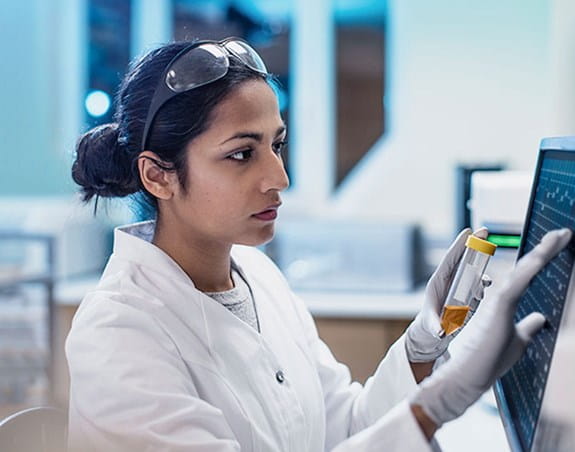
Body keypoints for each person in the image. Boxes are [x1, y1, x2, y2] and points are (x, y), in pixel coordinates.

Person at [66, 37, 572, 451]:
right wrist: (431, 410)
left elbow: (347, 429)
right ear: (158, 175)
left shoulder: (258, 275)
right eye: (242, 154)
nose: (279, 177)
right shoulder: (118, 333)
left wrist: (426, 343)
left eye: (277, 144)